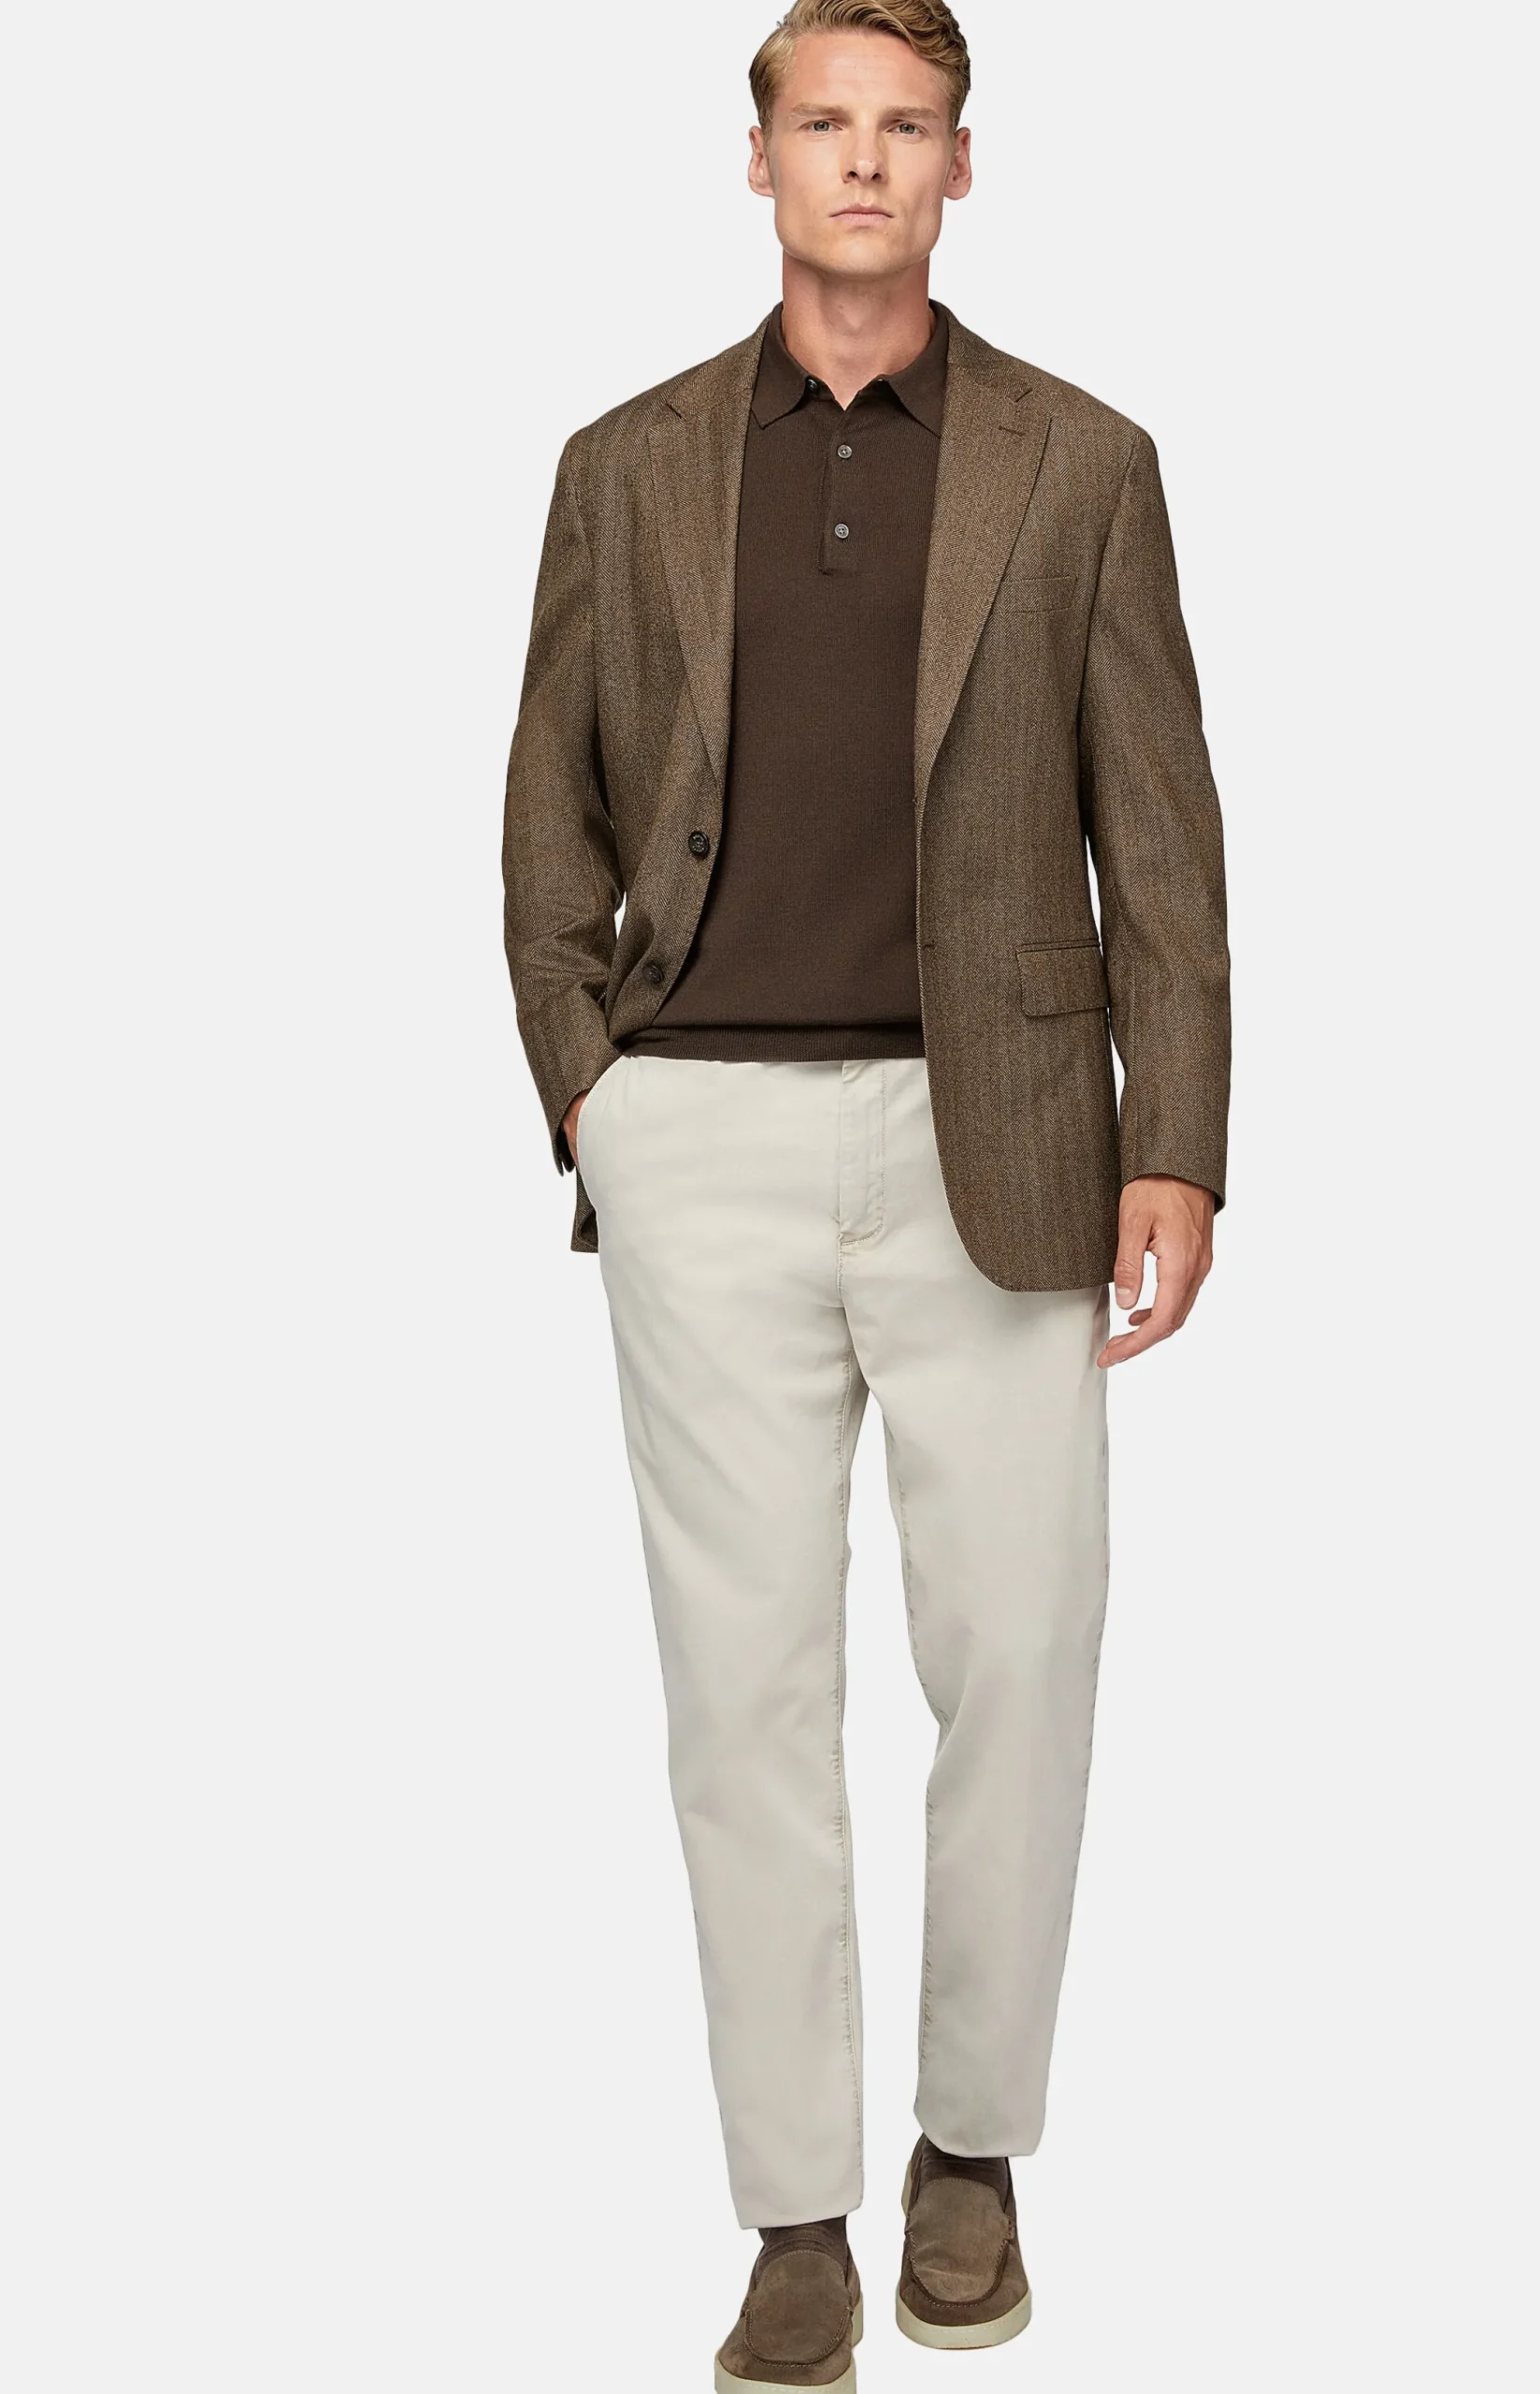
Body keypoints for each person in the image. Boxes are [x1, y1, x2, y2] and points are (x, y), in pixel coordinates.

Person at [501, 2, 1230, 2383]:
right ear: (757, 160)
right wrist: (593, 1091)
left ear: (959, 167)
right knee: (744, 1696)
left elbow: (1161, 830)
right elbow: (544, 813)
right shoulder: (624, 465)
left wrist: (1174, 1135)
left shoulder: (1080, 461)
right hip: (697, 1138)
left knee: (1020, 1655)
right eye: (821, 121)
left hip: (994, 1139)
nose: (861, 162)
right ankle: (793, 2213)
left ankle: (970, 2152)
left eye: (904, 126)